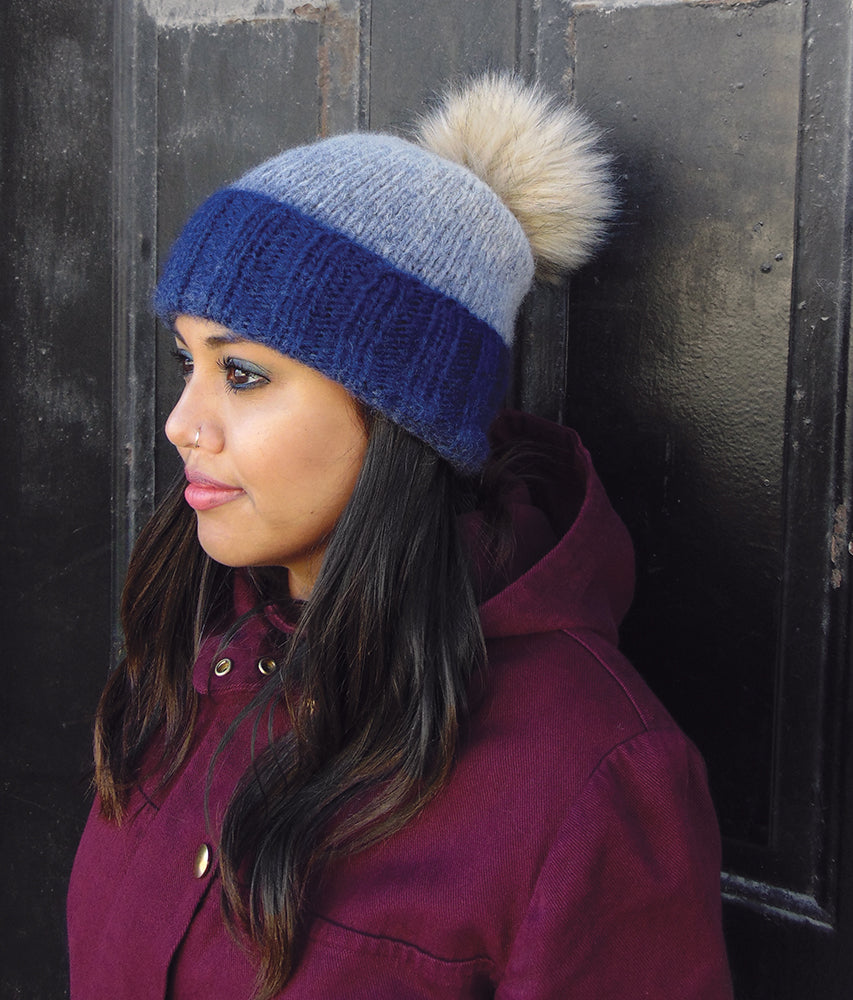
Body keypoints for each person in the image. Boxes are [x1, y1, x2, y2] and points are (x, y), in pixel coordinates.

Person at [67, 74, 734, 999]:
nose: (182, 423)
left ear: (400, 415)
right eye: (188, 361)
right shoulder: (201, 652)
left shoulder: (591, 775)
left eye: (243, 374)